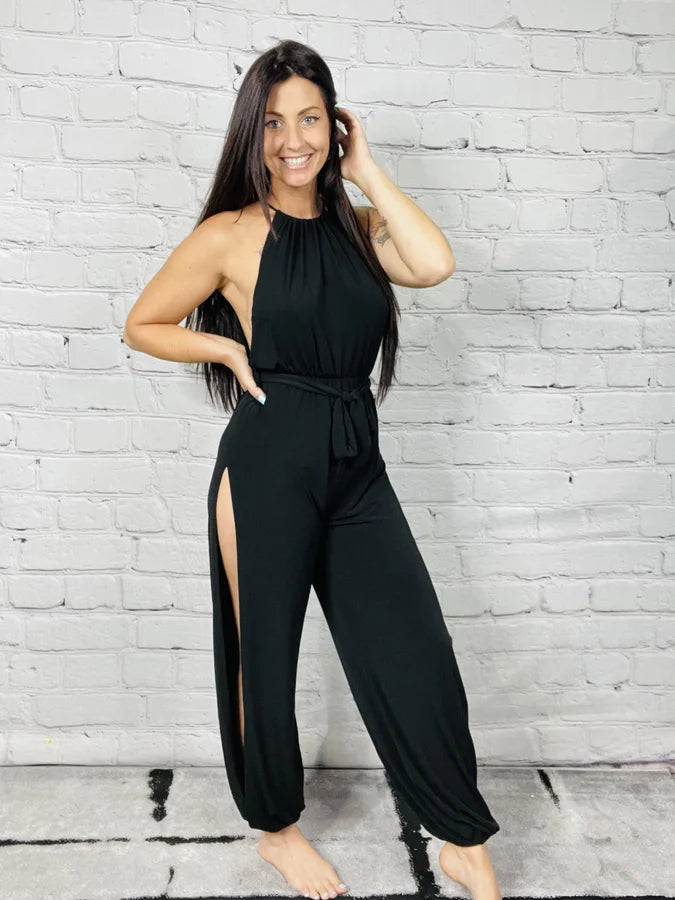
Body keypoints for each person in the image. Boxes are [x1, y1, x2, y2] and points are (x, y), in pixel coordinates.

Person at [123, 39, 502, 900]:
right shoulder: (228, 235)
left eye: (309, 119)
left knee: (415, 648)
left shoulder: (359, 229)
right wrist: (225, 346)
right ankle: (276, 829)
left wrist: (365, 171)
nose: (292, 140)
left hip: (356, 467)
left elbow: (433, 264)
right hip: (266, 465)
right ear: (250, 134)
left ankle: (461, 836)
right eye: (272, 123)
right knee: (263, 655)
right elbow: (143, 322)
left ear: (334, 125)